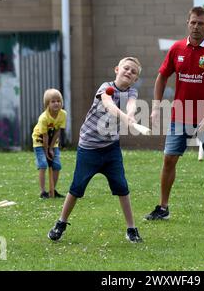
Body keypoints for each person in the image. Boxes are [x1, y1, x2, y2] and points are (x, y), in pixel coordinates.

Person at [144, 7, 204, 223]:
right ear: (187, 23)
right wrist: (156, 107)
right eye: (193, 22)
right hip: (180, 115)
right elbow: (162, 78)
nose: (196, 27)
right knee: (169, 159)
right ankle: (163, 207)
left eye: (200, 23)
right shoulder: (177, 48)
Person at [48, 57, 143, 243]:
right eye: (126, 68)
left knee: (122, 188)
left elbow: (131, 104)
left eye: (133, 72)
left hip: (111, 149)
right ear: (117, 69)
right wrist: (125, 117)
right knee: (77, 188)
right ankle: (61, 223)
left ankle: (131, 229)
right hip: (89, 148)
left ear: (135, 79)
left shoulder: (132, 91)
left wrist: (130, 115)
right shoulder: (105, 87)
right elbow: (108, 104)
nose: (129, 72)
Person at [32, 88, 67, 199]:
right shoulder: (43, 118)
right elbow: (45, 135)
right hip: (40, 141)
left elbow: (57, 132)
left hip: (53, 142)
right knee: (43, 164)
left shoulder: (63, 114)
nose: (56, 103)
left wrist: (51, 148)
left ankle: (52, 190)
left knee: (56, 165)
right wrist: (47, 150)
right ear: (47, 104)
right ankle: (43, 192)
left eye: (58, 101)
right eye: (53, 101)